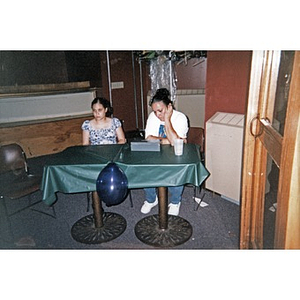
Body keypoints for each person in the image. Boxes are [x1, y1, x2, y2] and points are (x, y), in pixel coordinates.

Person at [141, 88, 189, 216]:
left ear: (169, 107)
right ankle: (151, 199)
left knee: (177, 169)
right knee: (144, 167)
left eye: (160, 111)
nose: (157, 115)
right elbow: (149, 139)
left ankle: (175, 201)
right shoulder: (152, 117)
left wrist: (167, 120)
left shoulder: (180, 118)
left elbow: (175, 144)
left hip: (175, 155)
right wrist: (169, 140)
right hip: (156, 153)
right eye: (155, 111)